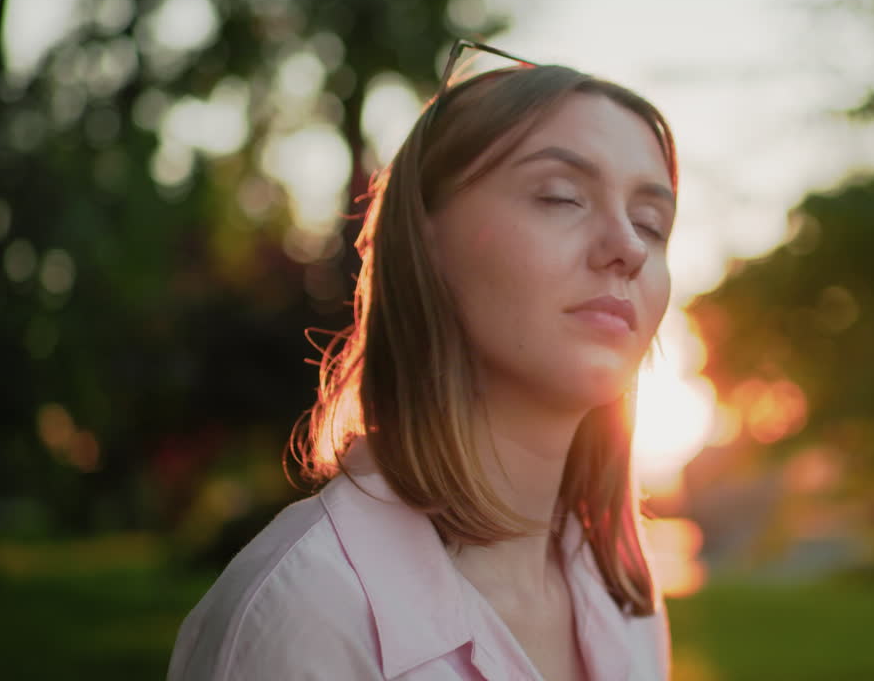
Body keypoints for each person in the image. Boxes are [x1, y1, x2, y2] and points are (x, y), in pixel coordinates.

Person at [167, 40, 679, 681]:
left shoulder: (623, 600)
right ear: (424, 241)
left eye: (653, 224)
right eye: (559, 196)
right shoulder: (307, 613)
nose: (628, 247)